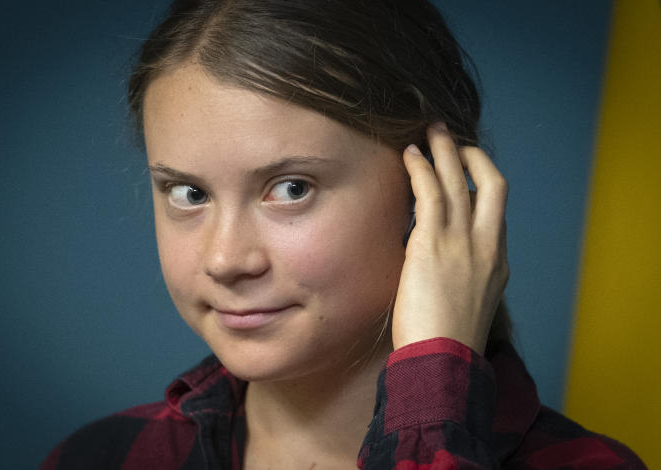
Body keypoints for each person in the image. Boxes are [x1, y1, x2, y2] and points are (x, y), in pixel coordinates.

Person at [41, 1, 646, 468]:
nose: (225, 259)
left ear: (432, 191)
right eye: (189, 194)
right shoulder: (102, 457)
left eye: (292, 188)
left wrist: (432, 402)